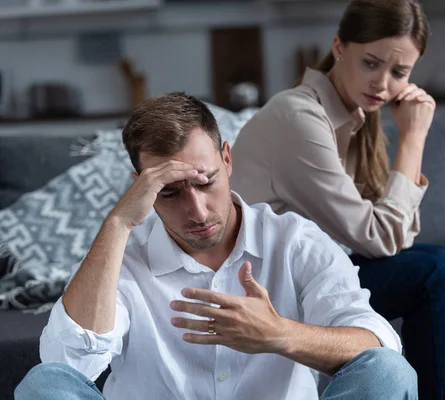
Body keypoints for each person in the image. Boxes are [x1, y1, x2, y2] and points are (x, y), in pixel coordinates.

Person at [14, 93, 417, 400]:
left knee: (389, 372)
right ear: (139, 185)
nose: (197, 210)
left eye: (205, 182)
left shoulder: (294, 240)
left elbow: (375, 342)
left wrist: (280, 334)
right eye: (169, 192)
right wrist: (118, 223)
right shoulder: (122, 257)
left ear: (227, 159)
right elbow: (64, 366)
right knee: (42, 386)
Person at [230, 1, 445, 399]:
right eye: (370, 63)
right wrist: (413, 138)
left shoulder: (352, 116)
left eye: (399, 72)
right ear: (339, 47)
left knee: (437, 267)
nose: (382, 84)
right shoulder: (299, 119)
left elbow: (393, 235)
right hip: (264, 288)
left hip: (301, 273)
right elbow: (382, 238)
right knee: (436, 271)